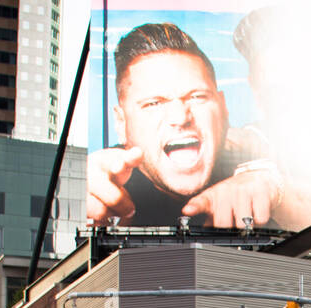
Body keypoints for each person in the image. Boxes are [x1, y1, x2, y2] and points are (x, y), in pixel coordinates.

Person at [89, 22, 281, 228]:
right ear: (121, 122)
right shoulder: (109, 178)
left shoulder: (251, 156)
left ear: (223, 108)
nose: (180, 117)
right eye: (154, 103)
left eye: (197, 97)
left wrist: (273, 183)